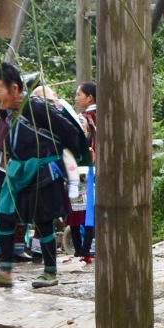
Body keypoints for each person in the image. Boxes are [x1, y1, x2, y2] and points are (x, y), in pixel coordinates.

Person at [0, 62, 90, 290]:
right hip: (18, 171)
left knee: (43, 222)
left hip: (43, 172)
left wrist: (69, 159)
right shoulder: (8, 111)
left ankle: (50, 273)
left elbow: (69, 132)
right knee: (4, 213)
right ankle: (5, 273)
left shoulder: (38, 108)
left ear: (15, 89)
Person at [75, 82, 98, 255]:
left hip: (84, 168)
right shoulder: (106, 115)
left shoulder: (83, 118)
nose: (76, 98)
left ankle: (83, 248)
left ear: (90, 98)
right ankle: (91, 246)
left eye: (79, 95)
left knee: (81, 208)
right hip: (103, 168)